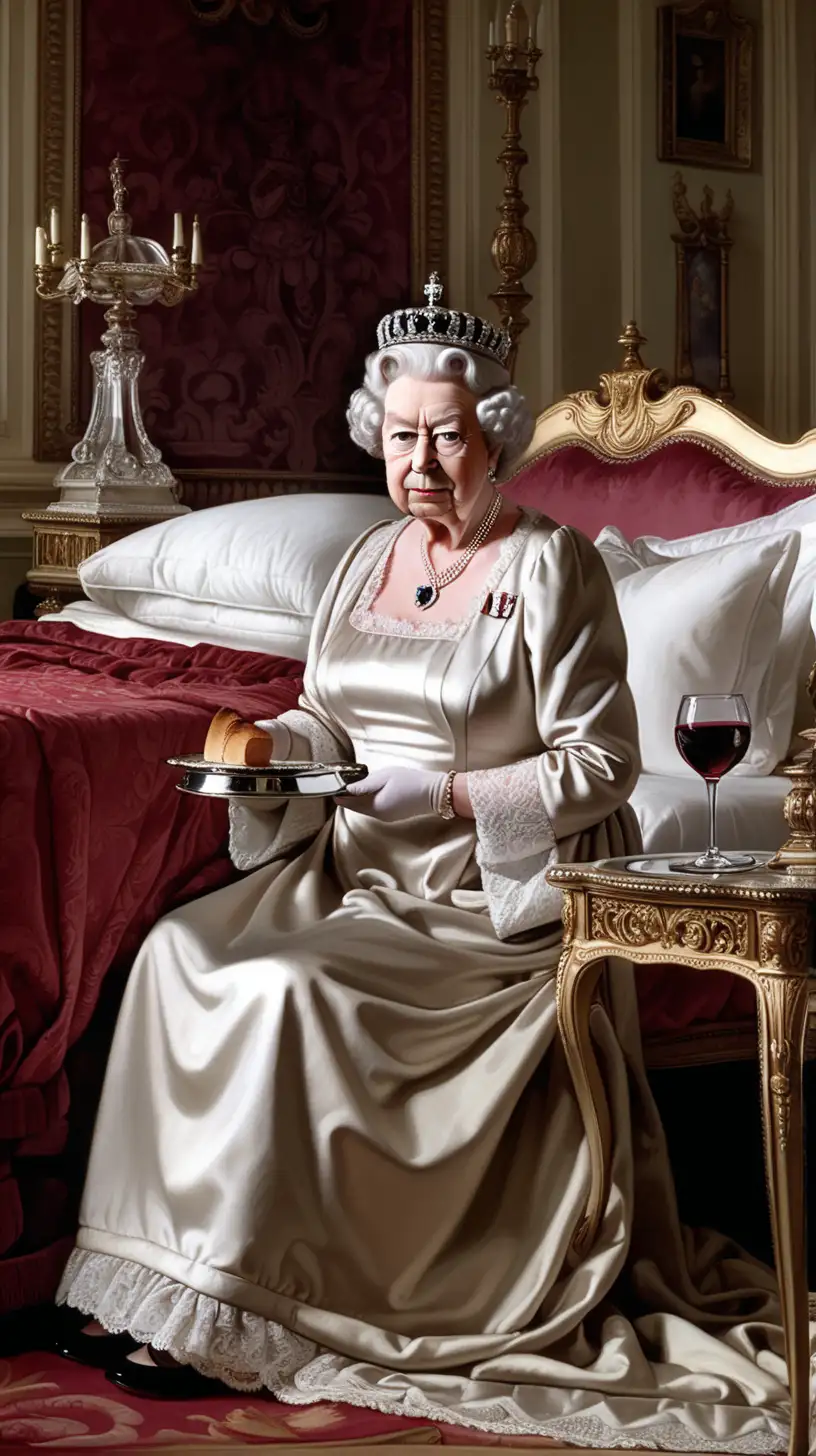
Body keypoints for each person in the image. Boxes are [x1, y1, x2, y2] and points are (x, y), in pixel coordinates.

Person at [55, 279, 790, 1451]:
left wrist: (448, 791)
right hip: (352, 867)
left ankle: (252, 1300)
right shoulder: (363, 562)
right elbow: (326, 719)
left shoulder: (552, 567)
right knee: (179, 953)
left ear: (492, 429)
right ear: (375, 435)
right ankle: (163, 1284)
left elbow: (602, 762)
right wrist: (273, 755)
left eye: (448, 434)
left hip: (480, 898)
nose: (425, 460)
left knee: (286, 989)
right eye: (403, 436)